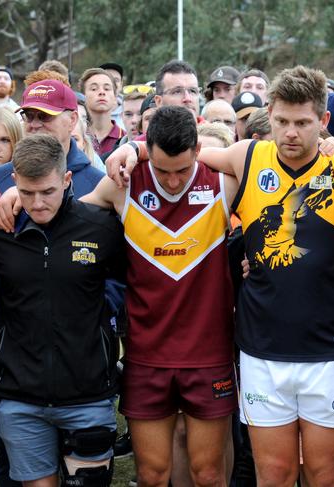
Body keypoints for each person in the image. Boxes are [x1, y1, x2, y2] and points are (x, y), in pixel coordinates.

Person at [106, 65, 334, 487]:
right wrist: (131, 149)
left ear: (324, 121)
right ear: (269, 114)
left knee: (327, 476)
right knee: (273, 474)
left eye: (304, 123)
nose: (291, 132)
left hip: (332, 349)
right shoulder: (247, 156)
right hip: (261, 351)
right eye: (283, 121)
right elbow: (184, 149)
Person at [88, 106, 238, 487]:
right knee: (152, 476)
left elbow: (268, 156)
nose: (172, 182)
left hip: (208, 355)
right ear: (147, 151)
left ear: (199, 150)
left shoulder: (223, 181)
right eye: (162, 170)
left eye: (182, 170)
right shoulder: (125, 182)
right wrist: (15, 199)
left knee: (208, 475)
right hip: (146, 355)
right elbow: (64, 216)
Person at [0, 134, 125, 487]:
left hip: (88, 393)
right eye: (28, 192)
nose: (38, 203)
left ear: (67, 181)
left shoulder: (100, 227)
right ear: (14, 180)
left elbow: (131, 283)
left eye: (48, 191)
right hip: (20, 396)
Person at [79, 68, 125, 157]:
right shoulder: (76, 137)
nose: (101, 92)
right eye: (94, 89)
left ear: (115, 97)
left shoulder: (125, 139)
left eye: (107, 89)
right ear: (83, 96)